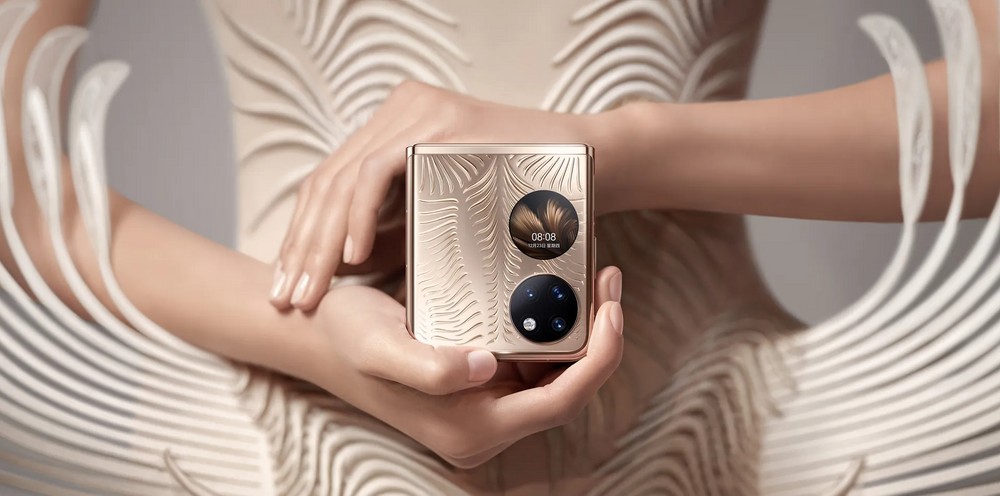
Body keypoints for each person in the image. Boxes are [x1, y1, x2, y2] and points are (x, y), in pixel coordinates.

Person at [2, 0, 996, 493]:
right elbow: (22, 187)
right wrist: (311, 331)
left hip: (727, 445)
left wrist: (616, 149)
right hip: (261, 447)